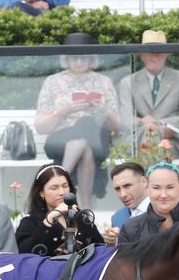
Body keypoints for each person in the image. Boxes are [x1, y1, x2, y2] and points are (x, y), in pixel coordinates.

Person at [34, 33, 120, 209]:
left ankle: (59, 179)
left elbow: (116, 127)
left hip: (98, 138)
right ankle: (85, 205)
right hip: (60, 139)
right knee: (85, 136)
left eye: (84, 57)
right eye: (74, 57)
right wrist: (64, 111)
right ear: (66, 58)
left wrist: (103, 110)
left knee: (87, 125)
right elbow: (41, 126)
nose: (79, 61)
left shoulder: (103, 82)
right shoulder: (53, 82)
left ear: (91, 58)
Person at [118, 29, 179, 159]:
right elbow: (125, 120)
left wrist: (159, 123)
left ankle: (148, 179)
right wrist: (146, 125)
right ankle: (156, 179)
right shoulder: (128, 82)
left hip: (172, 143)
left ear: (167, 54)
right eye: (150, 52)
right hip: (137, 143)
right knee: (149, 135)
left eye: (160, 52)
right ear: (142, 55)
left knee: (153, 137)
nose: (155, 57)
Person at [16, 163, 105, 256]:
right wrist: (49, 219)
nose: (62, 192)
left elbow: (100, 249)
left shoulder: (82, 218)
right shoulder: (29, 222)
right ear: (41, 193)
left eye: (65, 186)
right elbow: (25, 254)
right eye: (54, 188)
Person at [117, 161, 179, 245]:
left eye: (170, 187)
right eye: (156, 188)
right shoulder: (130, 228)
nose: (163, 195)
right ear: (147, 188)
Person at [105, 161, 147, 245]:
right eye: (117, 189)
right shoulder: (117, 217)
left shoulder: (163, 209)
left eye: (127, 186)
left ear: (144, 182)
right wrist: (113, 242)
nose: (122, 194)